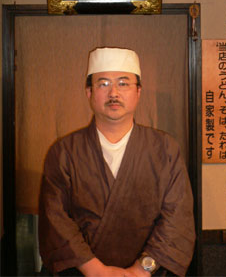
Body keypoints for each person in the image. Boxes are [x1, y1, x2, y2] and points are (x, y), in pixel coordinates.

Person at [39, 47, 195, 276]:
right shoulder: (64, 151)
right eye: (103, 84)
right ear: (89, 92)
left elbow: (177, 220)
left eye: (123, 83)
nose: (114, 93)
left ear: (138, 91)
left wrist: (141, 270)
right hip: (80, 272)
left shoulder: (165, 149)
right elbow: (55, 219)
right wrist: (95, 270)